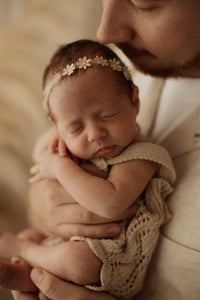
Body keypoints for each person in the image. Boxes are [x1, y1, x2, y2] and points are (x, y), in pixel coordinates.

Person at [1, 0, 200, 299]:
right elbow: (43, 160)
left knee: (75, 262)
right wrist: (45, 206)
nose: (105, 32)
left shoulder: (141, 152)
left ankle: (26, 252)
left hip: (113, 261)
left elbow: (110, 203)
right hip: (70, 246)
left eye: (143, 3)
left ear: (133, 102)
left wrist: (62, 169)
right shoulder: (123, 74)